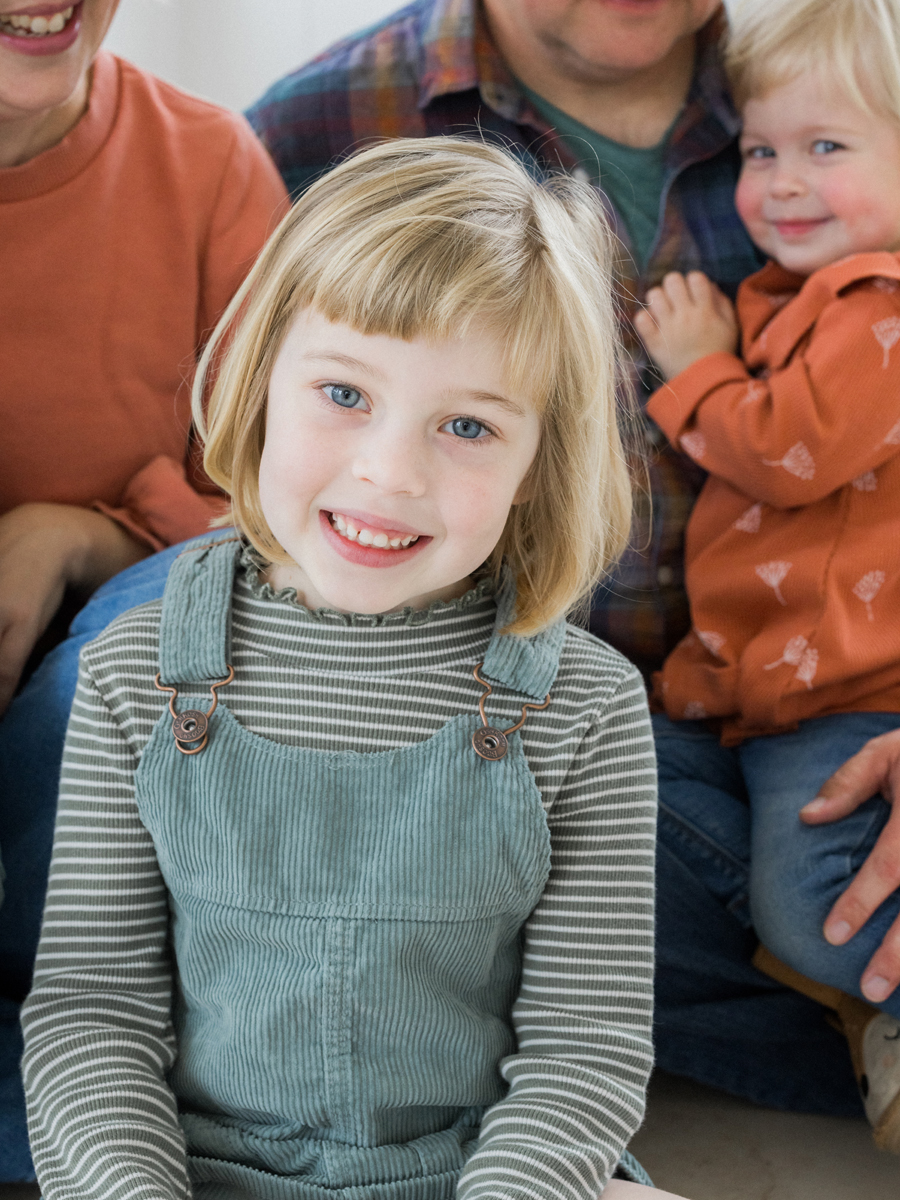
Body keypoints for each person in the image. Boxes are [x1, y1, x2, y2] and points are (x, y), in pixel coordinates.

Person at [20, 137, 680, 1200]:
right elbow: (93, 1016)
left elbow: (582, 1056)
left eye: (467, 425)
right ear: (260, 379)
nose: (390, 470)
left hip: (482, 1175)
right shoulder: (132, 674)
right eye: (344, 394)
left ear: (535, 466)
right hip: (198, 1174)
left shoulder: (587, 707)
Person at [0, 0, 287, 1180]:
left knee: (158, 623)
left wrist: (82, 534)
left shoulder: (209, 162)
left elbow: (289, 511)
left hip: (129, 662)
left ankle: (80, 1077)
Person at [635, 0, 900, 1150]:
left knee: (812, 909)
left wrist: (695, 373)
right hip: (786, 692)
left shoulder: (875, 305)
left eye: (826, 148)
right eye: (759, 151)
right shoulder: (803, 300)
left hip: (856, 696)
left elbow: (790, 456)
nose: (782, 183)